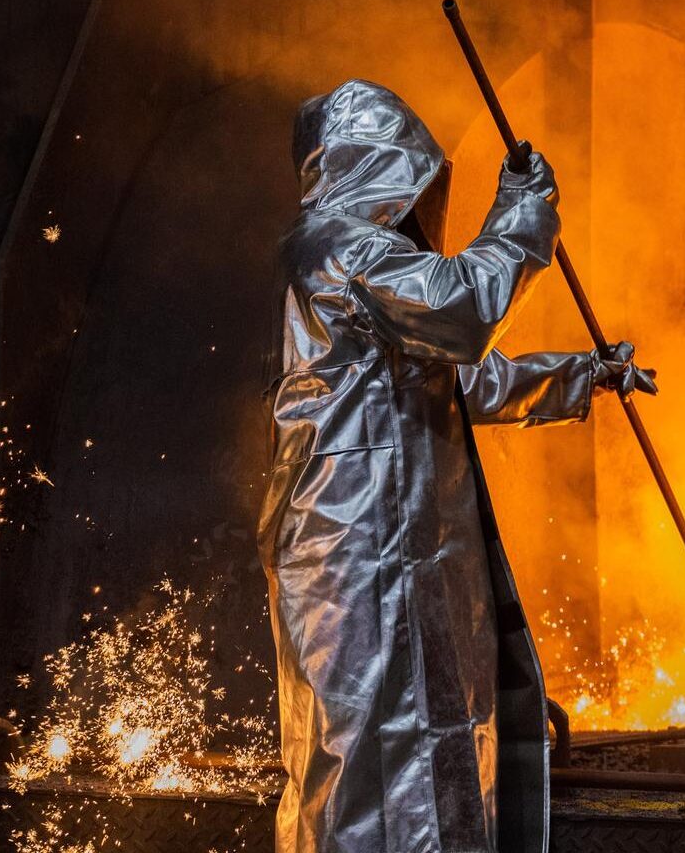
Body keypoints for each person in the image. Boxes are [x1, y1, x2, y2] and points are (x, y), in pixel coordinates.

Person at [260, 80, 654, 853]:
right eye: (412, 175)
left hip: (401, 555)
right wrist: (523, 215)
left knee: (433, 748)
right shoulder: (334, 248)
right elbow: (465, 306)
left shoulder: (372, 270)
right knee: (365, 763)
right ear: (376, 168)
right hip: (353, 552)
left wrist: (587, 374)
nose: (422, 197)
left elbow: (470, 379)